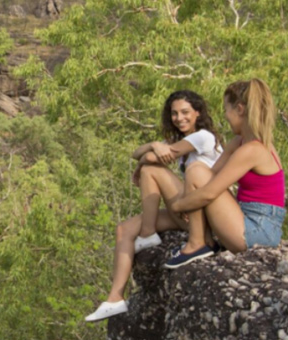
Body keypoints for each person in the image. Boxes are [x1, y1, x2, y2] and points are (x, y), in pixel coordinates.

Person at [84, 90, 221, 322]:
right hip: (186, 210)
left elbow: (147, 160)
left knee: (149, 170)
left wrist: (148, 158)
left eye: (186, 112)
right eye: (175, 113)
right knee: (124, 230)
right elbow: (136, 153)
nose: (180, 118)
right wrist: (154, 144)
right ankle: (115, 298)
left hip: (205, 215)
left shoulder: (203, 137)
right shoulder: (180, 143)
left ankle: (148, 234)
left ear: (198, 113)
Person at [165, 78, 285, 268]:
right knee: (196, 169)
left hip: (258, 230)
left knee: (196, 174)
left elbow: (209, 192)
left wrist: (179, 206)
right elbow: (207, 175)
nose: (225, 115)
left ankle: (197, 244)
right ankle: (204, 241)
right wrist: (190, 199)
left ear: (239, 109)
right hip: (246, 217)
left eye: (226, 109)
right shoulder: (239, 142)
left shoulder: (253, 149)